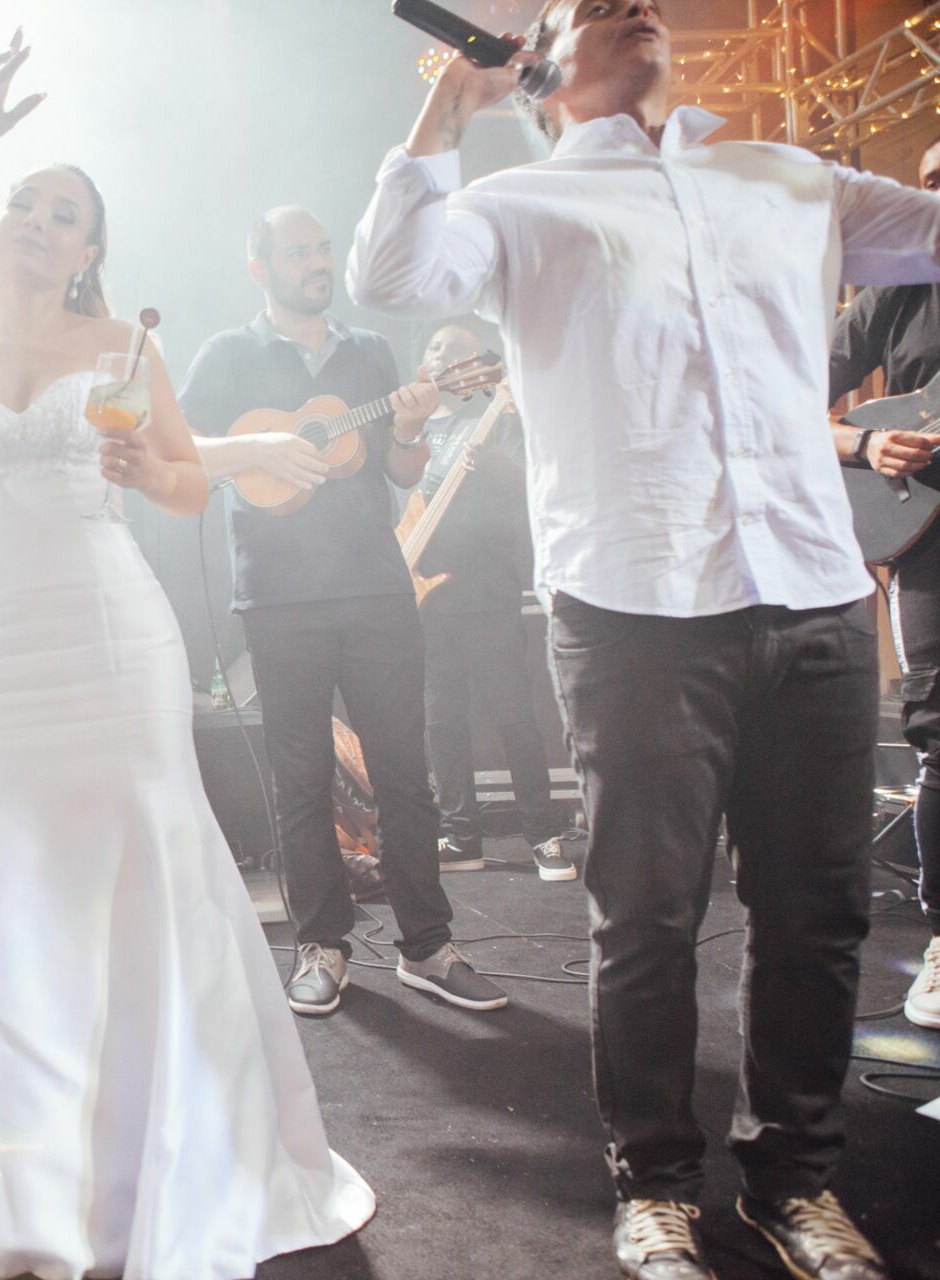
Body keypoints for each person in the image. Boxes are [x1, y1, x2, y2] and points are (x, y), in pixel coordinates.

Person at [346, 0, 940, 1275]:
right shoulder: (517, 206)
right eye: (584, 1)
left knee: (819, 913)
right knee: (649, 918)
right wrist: (454, 102)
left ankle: (796, 1182)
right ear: (541, 62)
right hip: (637, 611)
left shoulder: (781, 176)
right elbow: (390, 278)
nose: (635, 2)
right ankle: (656, 1183)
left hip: (814, 590)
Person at [0, 32, 374, 1280]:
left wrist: (151, 469)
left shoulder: (126, 348)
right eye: (22, 202)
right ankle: (11, 1164)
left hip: (116, 637)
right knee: (11, 875)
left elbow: (186, 489)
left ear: (89, 253)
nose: (35, 218)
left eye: (62, 212)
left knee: (142, 862)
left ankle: (164, 1153)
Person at [179, 206, 511, 1018]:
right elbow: (182, 453)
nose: (317, 262)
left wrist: (410, 427)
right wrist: (257, 452)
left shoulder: (369, 353)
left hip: (374, 585)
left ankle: (427, 945)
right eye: (298, 251)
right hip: (279, 596)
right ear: (260, 267)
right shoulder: (226, 356)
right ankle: (320, 945)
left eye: (323, 248)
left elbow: (398, 470)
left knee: (405, 769)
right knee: (301, 779)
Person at [827, 134, 940, 1033]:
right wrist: (864, 444)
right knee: (939, 728)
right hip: (926, 532)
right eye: (928, 181)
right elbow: (775, 391)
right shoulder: (898, 286)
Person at [409, 320, 572, 881]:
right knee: (442, 721)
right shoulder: (421, 432)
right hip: (433, 596)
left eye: (451, 350)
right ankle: (461, 837)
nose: (437, 357)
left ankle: (544, 835)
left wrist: (502, 470)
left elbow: (541, 486)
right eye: (432, 347)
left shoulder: (500, 417)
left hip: (488, 590)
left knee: (513, 717)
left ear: (478, 363)